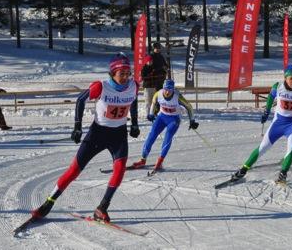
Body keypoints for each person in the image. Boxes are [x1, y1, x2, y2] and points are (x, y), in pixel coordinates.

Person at [31, 53, 140, 222]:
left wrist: (134, 123)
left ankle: (102, 207)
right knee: (74, 170)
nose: (126, 77)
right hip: (98, 133)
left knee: (119, 170)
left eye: (128, 73)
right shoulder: (101, 86)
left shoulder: (134, 86)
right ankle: (48, 202)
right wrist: (77, 127)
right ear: (112, 73)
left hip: (119, 134)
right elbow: (80, 100)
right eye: (121, 73)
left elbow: (132, 102)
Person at [231, 65, 292, 183]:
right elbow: (271, 97)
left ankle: (283, 173)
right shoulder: (278, 87)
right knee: (263, 147)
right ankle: (244, 169)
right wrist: (266, 111)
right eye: (291, 78)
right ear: (285, 78)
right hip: (278, 123)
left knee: (291, 148)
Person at [131, 79, 199, 172]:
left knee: (168, 137)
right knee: (151, 136)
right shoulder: (158, 94)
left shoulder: (177, 96)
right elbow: (153, 103)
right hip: (162, 117)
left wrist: (192, 121)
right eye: (166, 89)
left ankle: (160, 161)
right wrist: (151, 114)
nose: (167, 92)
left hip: (173, 119)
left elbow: (189, 107)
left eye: (170, 90)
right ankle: (143, 160)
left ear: (173, 90)